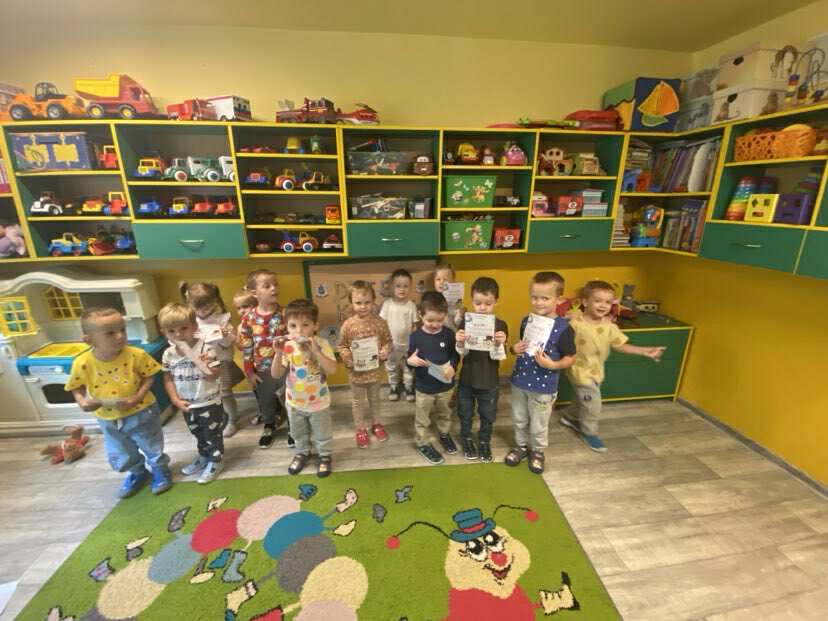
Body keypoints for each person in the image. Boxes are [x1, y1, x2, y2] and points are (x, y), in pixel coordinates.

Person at [65, 307, 171, 498]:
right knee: (121, 450)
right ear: (89, 339)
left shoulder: (136, 355)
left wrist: (137, 397)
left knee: (151, 444)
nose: (120, 336)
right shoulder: (82, 363)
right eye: (110, 333)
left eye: (123, 329)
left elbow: (149, 376)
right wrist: (82, 401)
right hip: (107, 417)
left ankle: (160, 470)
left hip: (142, 411)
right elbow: (76, 386)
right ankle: (138, 473)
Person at [560, 280, 665, 452]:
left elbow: (620, 345)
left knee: (584, 398)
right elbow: (558, 332)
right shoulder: (575, 323)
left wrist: (645, 351)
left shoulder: (610, 326)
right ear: (585, 302)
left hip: (597, 371)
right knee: (593, 404)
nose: (603, 305)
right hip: (578, 370)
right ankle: (589, 432)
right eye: (598, 301)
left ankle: (570, 417)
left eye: (608, 302)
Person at [505, 272, 576, 474]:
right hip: (520, 381)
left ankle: (537, 451)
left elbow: (571, 357)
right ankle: (520, 446)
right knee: (519, 417)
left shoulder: (564, 328)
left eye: (545, 298)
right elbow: (522, 347)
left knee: (539, 423)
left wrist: (552, 365)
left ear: (558, 299)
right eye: (534, 297)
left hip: (544, 387)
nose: (538, 302)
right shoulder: (527, 321)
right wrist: (514, 349)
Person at [158, 303, 225, 483]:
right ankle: (204, 456)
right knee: (197, 433)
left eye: (184, 328)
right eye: (171, 331)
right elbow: (168, 378)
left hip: (208, 402)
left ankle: (216, 461)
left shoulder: (206, 349)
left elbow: (214, 375)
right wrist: (175, 400)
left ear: (194, 327)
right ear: (164, 332)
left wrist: (200, 362)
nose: (178, 335)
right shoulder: (168, 354)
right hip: (187, 403)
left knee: (212, 435)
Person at [271, 299, 338, 477]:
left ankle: (324, 456)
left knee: (322, 433)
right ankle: (302, 453)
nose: (299, 331)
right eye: (293, 326)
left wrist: (316, 351)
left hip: (319, 402)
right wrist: (278, 353)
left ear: (315, 326)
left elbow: (332, 369)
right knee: (297, 433)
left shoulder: (322, 344)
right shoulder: (287, 347)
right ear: (286, 327)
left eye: (305, 325)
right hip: (295, 402)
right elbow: (276, 374)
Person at [454, 277, 508, 463]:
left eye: (488, 303)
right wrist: (459, 342)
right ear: (472, 301)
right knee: (465, 414)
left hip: (489, 380)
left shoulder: (500, 326)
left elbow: (499, 356)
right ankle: (466, 438)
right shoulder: (465, 323)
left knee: (488, 415)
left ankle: (484, 440)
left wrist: (500, 343)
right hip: (467, 379)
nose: (482, 308)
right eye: (478, 303)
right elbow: (462, 353)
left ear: (496, 302)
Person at [181, 281, 243, 437]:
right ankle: (219, 417)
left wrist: (224, 335)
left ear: (214, 302)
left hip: (220, 361)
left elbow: (230, 343)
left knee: (225, 392)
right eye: (199, 308)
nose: (204, 311)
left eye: (207, 306)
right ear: (190, 305)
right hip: (200, 364)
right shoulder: (189, 322)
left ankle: (232, 420)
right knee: (209, 392)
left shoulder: (221, 320)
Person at [237, 269, 289, 449]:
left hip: (284, 368)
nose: (274, 288)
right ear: (254, 292)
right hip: (261, 370)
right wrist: (249, 372)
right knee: (266, 401)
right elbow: (246, 347)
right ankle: (269, 425)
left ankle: (293, 427)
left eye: (275, 284)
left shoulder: (285, 314)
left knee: (288, 398)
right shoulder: (248, 318)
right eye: (267, 286)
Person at [338, 280, 393, 448]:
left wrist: (385, 351)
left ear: (373, 301)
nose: (363, 307)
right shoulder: (348, 325)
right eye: (358, 303)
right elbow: (342, 345)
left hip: (375, 371)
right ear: (351, 302)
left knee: (375, 399)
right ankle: (360, 429)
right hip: (356, 373)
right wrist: (347, 356)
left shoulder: (380, 322)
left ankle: (376, 424)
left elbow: (388, 341)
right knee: (357, 402)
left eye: (367, 302)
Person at [407, 291, 460, 464]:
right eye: (430, 320)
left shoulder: (448, 334)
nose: (435, 324)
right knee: (422, 418)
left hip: (446, 386)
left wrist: (453, 367)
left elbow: (455, 355)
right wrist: (410, 361)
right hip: (424, 387)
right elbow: (410, 360)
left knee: (445, 413)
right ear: (420, 315)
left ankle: (444, 433)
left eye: (439, 320)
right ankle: (422, 442)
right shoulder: (415, 337)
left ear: (444, 316)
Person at [380, 268, 418, 402]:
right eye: (398, 286)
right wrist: (383, 343)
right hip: (391, 345)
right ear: (391, 287)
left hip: (407, 345)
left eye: (406, 286)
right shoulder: (387, 305)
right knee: (391, 367)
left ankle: (408, 387)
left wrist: (414, 344)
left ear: (410, 287)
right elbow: (382, 325)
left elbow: (414, 326)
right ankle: (394, 386)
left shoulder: (411, 306)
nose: (402, 289)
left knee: (408, 368)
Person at [232, 288, 262, 425]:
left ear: (256, 305)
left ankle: (277, 412)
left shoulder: (261, 322)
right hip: (251, 363)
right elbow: (241, 348)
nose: (241, 311)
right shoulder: (240, 327)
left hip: (265, 361)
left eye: (245, 306)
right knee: (257, 389)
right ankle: (262, 411)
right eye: (238, 308)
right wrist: (237, 341)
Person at [432, 262, 464, 331]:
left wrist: (460, 314)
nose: (441, 282)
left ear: (453, 281)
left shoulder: (457, 301)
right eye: (438, 279)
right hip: (435, 334)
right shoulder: (430, 300)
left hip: (451, 334)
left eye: (445, 279)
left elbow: (457, 323)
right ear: (434, 281)